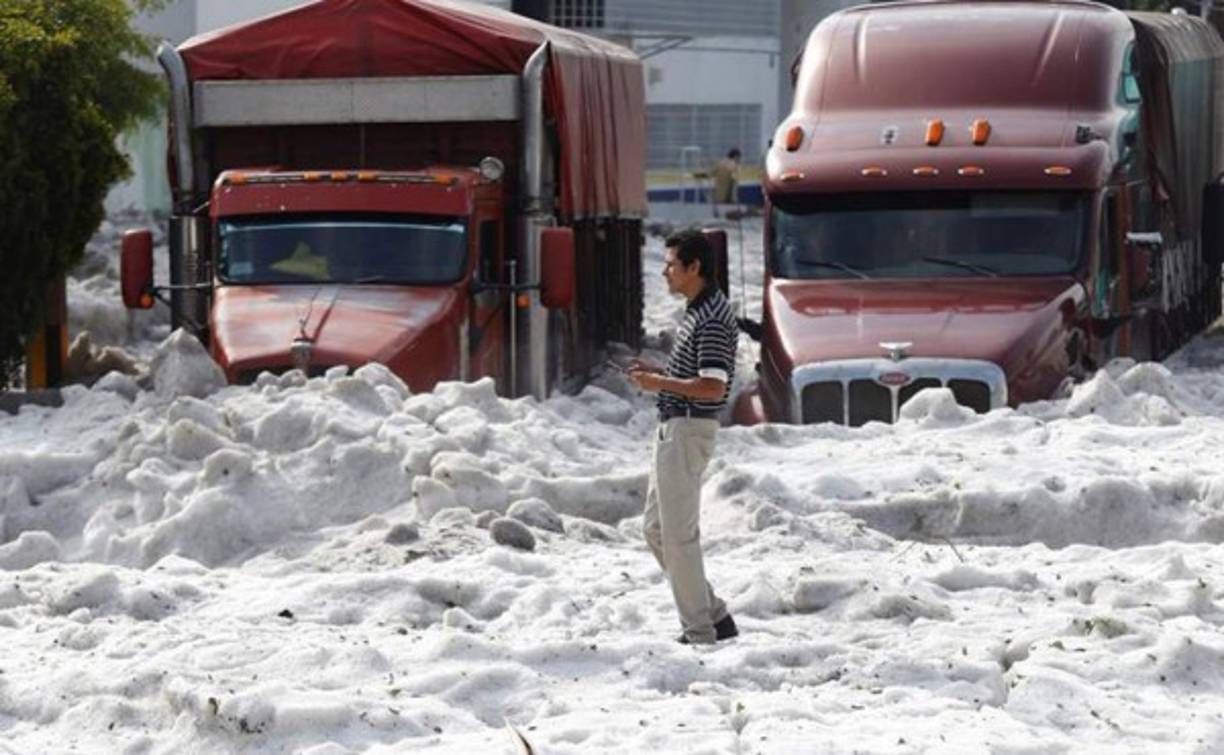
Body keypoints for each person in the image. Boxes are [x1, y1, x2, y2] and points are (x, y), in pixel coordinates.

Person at [628, 230, 739, 645]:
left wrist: (657, 382)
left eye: (672, 264)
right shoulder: (699, 310)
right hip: (675, 426)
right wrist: (658, 375)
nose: (665, 272)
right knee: (657, 530)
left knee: (678, 536)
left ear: (695, 268)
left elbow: (712, 387)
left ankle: (699, 631)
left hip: (689, 428)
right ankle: (713, 614)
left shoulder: (711, 317)